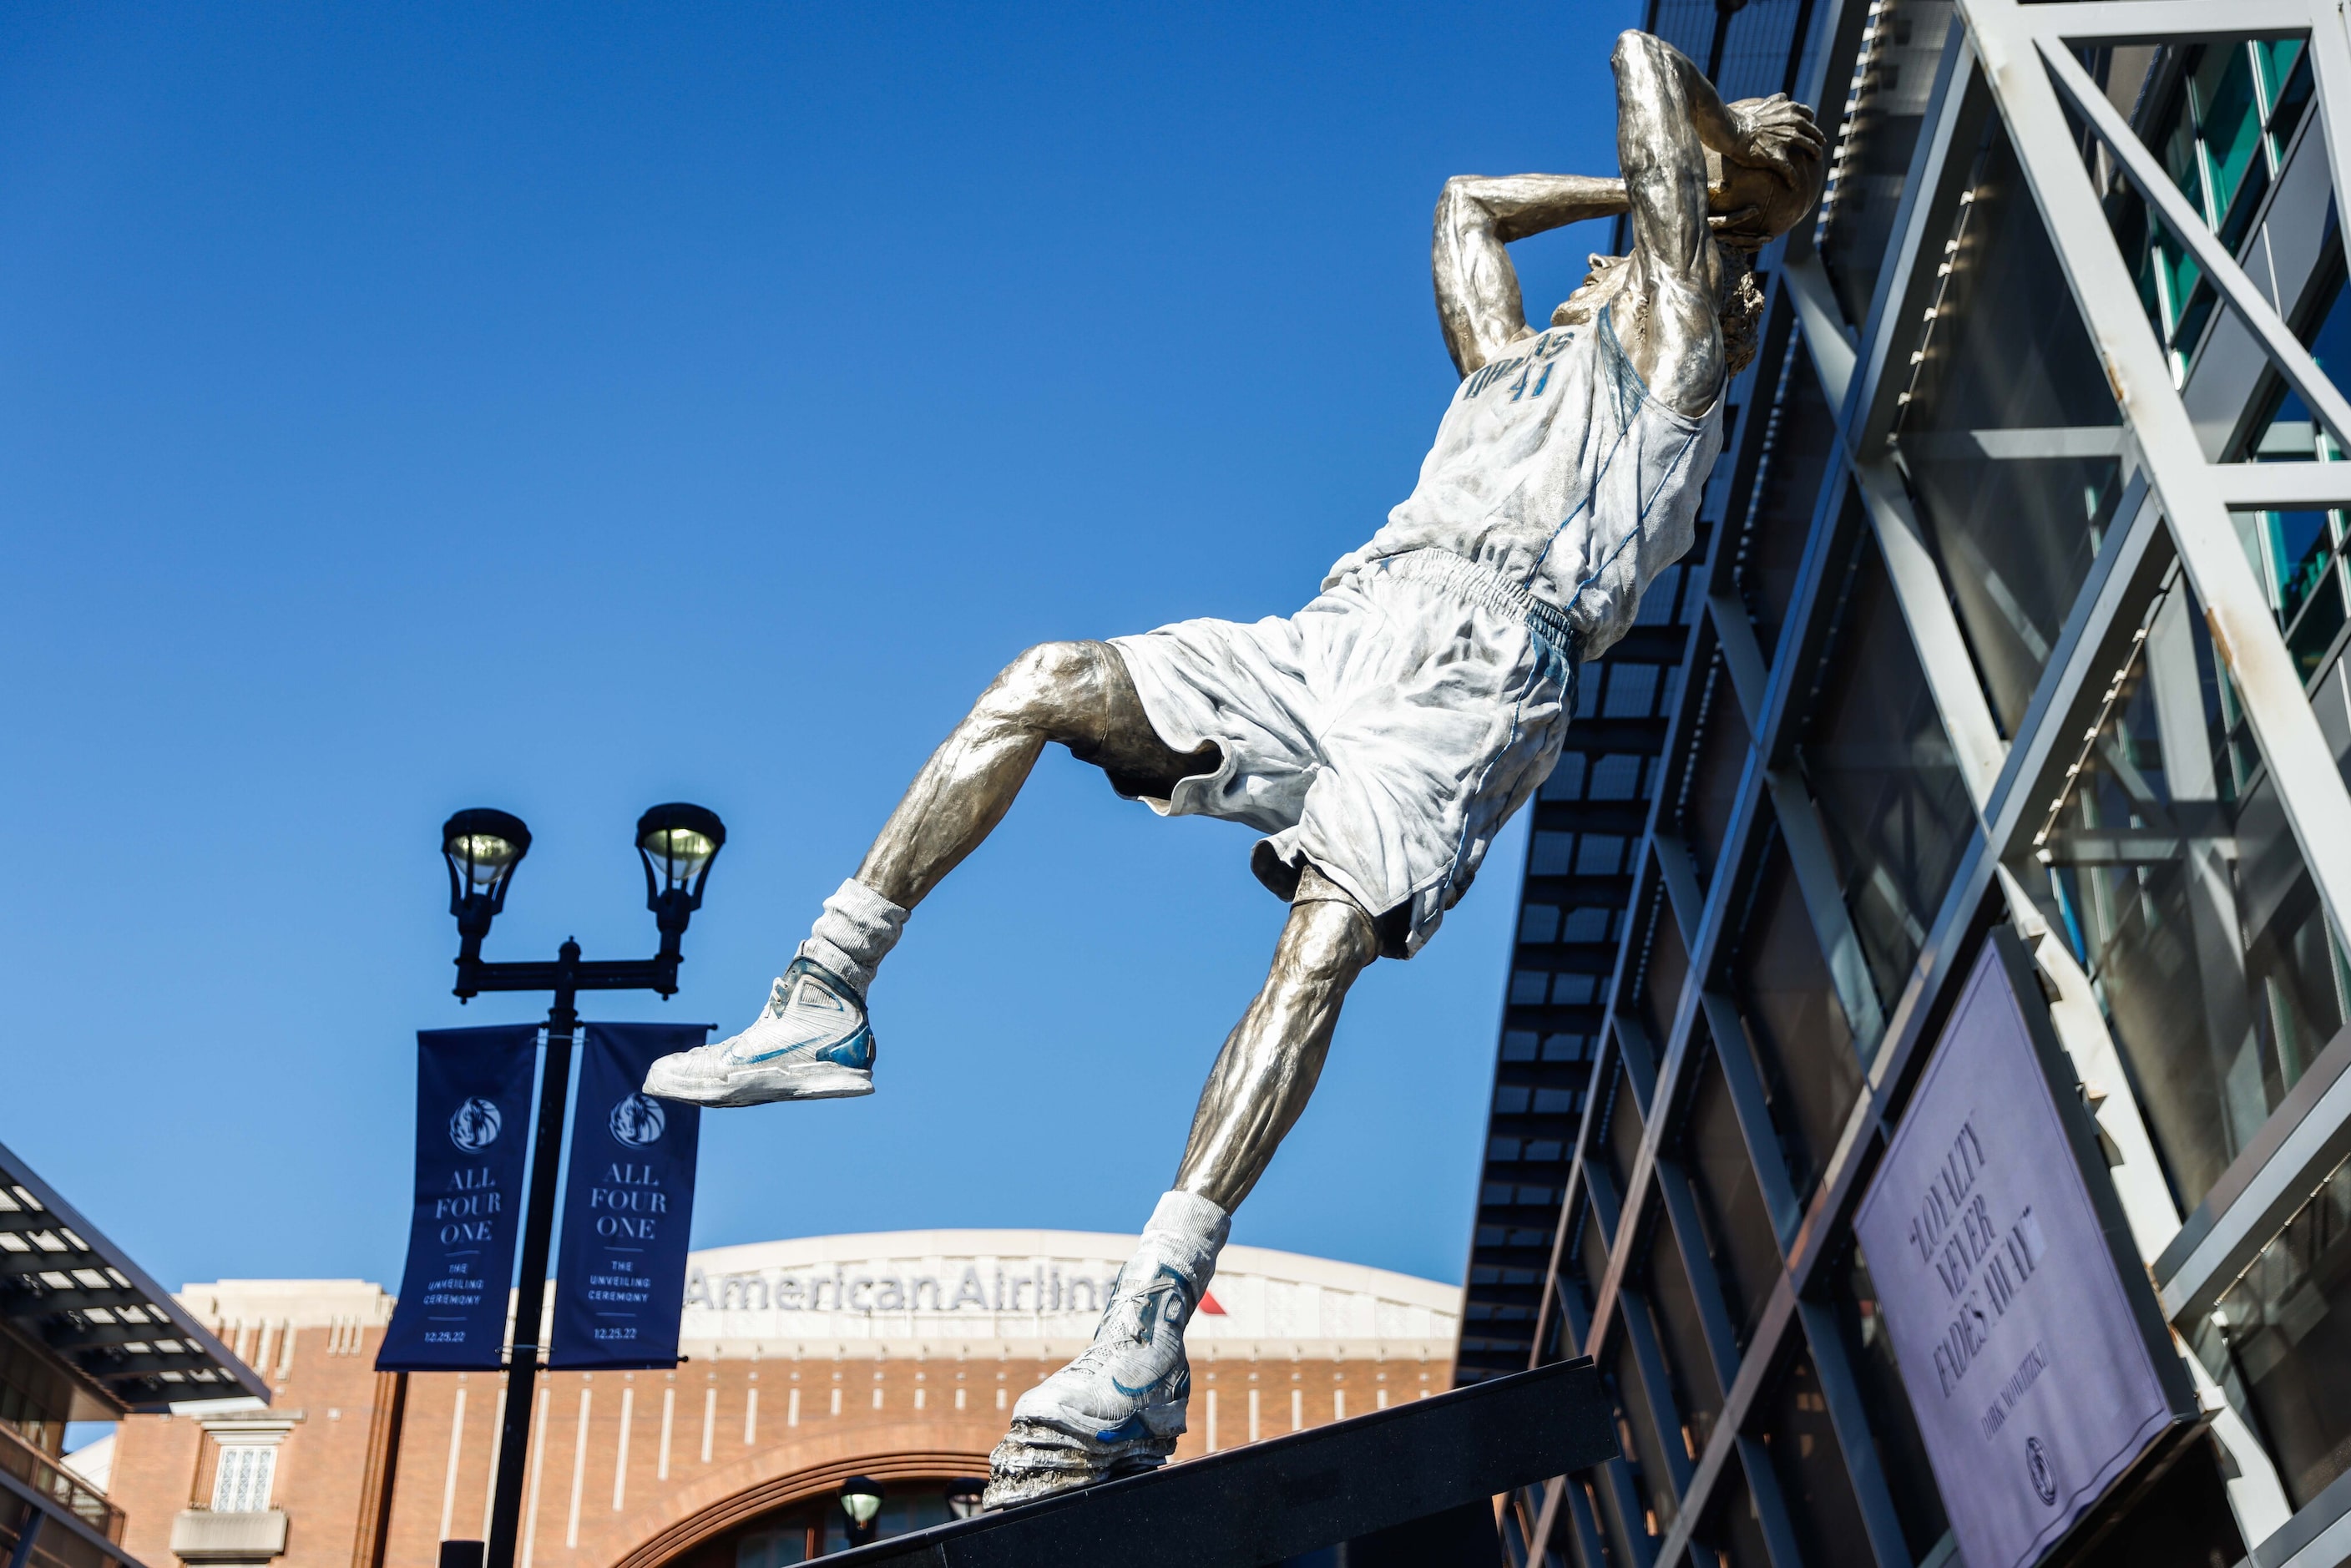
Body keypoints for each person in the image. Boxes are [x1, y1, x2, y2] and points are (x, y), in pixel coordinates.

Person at [641, 29, 1824, 1508]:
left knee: (1318, 941)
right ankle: (825, 993)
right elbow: (1463, 204)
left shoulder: (1676, 361)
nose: (1608, 260)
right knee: (1046, 681)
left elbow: (1645, 64)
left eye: (1651, 237)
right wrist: (1664, 183)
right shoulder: (1509, 373)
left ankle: (1143, 1333)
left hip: (1479, 673)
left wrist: (1714, 190)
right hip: (1343, 625)